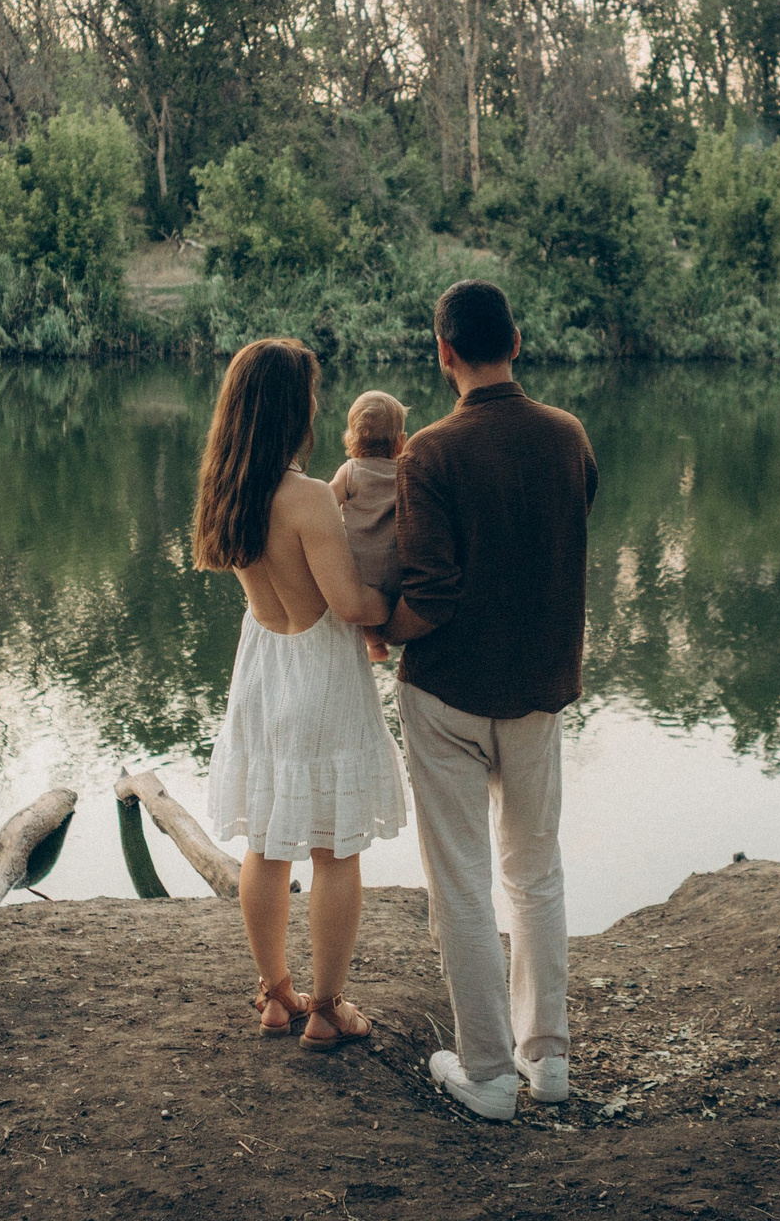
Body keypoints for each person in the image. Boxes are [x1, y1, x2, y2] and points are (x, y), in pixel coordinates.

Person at [382, 280, 597, 1121]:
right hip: (538, 692)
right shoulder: (569, 437)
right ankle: (548, 1062)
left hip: (449, 693)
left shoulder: (429, 452)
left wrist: (379, 628)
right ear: (518, 336)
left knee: (463, 882)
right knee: (535, 872)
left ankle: (488, 1074)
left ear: (444, 354)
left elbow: (428, 594)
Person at [196, 338, 406, 1049]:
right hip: (318, 671)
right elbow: (351, 604)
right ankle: (326, 1005)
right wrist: (405, 597)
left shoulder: (228, 491)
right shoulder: (309, 498)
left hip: (262, 663)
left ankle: (275, 994)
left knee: (266, 839)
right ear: (296, 408)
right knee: (332, 847)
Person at [330, 390, 408, 665]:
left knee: (365, 617)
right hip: (398, 570)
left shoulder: (350, 471)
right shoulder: (404, 473)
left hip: (360, 572)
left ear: (351, 440)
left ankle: (375, 645)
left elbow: (326, 505)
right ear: (401, 443)